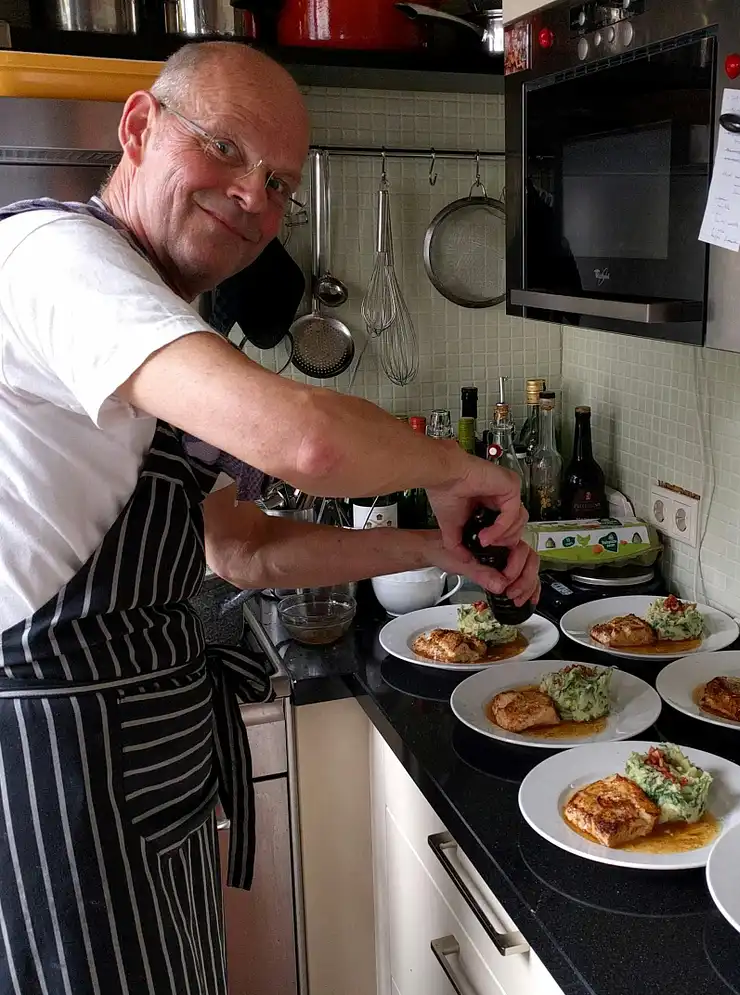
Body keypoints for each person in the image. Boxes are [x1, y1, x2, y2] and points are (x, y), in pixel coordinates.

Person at [0, 40, 539, 995]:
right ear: (137, 128)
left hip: (139, 767)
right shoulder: (57, 259)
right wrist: (457, 469)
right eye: (224, 148)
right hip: (58, 769)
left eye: (280, 183)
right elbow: (306, 443)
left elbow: (243, 550)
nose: (255, 198)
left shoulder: (166, 326)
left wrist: (430, 542)